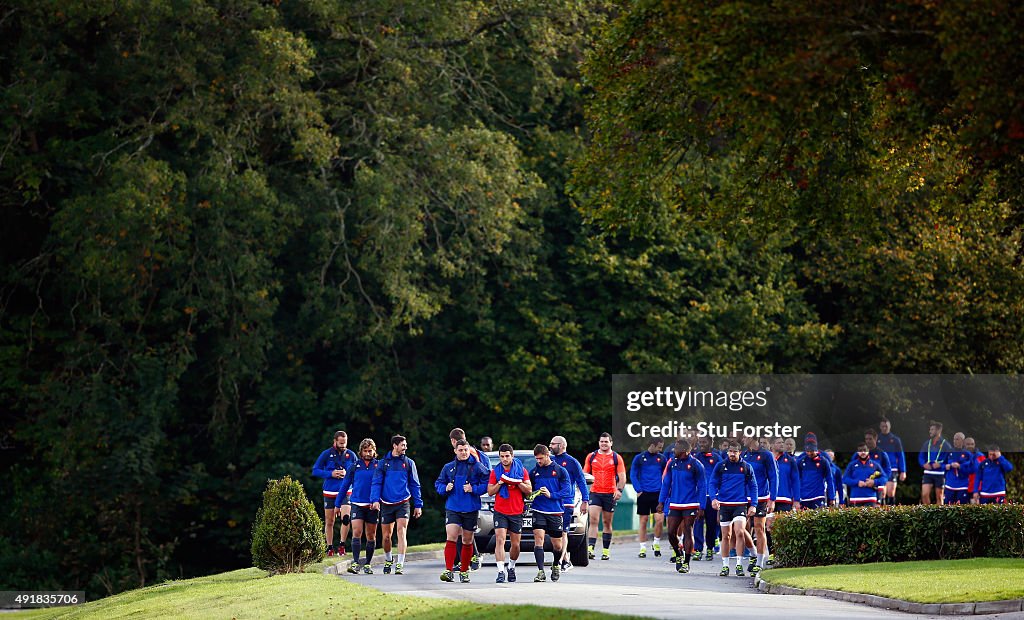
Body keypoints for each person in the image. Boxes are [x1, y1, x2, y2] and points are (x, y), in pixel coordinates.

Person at [436, 440, 489, 583]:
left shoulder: (477, 466)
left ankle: (464, 571)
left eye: (466, 450)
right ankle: (448, 570)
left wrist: (474, 489)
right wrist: (445, 488)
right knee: (451, 536)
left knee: (467, 540)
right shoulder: (448, 467)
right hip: (453, 507)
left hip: (470, 508)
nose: (464, 452)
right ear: (455, 451)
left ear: (469, 450)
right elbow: (439, 483)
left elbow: (487, 482)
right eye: (461, 450)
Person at [370, 435, 424, 575]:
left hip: (403, 502)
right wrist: (375, 500)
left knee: (402, 531)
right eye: (403, 445)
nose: (405, 447)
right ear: (395, 445)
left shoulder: (409, 463)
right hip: (386, 503)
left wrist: (418, 505)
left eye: (405, 445)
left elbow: (415, 485)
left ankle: (400, 564)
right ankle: (388, 560)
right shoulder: (383, 463)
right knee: (386, 536)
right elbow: (376, 482)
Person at [709, 441, 758, 577]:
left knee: (740, 532)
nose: (732, 454)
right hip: (724, 505)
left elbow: (753, 487)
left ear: (739, 452)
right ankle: (725, 566)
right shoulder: (721, 466)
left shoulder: (746, 467)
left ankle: (739, 564)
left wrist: (753, 504)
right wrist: (713, 498)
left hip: (740, 504)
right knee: (726, 535)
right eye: (730, 451)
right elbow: (712, 483)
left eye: (735, 452)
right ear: (727, 452)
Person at [658, 438, 706, 574]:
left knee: (687, 530)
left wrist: (702, 506)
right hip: (675, 503)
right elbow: (666, 483)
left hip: (691, 504)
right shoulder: (672, 463)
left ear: (685, 451)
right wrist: (661, 502)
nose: (674, 450)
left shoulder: (696, 465)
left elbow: (702, 486)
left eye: (677, 448)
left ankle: (686, 562)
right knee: (671, 533)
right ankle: (678, 553)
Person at [488, 443, 532, 583]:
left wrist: (517, 482)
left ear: (512, 456)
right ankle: (500, 571)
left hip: (516, 511)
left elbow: (529, 490)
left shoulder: (522, 471)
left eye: (507, 456)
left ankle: (511, 567)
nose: (505, 459)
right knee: (500, 540)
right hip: (500, 511)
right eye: (502, 457)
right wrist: (501, 483)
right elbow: (490, 492)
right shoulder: (495, 472)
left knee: (516, 544)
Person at [529, 444, 572, 582]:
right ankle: (540, 571)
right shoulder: (534, 472)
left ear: (547, 455)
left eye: (540, 458)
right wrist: (531, 494)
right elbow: (527, 489)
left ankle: (555, 565)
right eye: (536, 459)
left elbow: (567, 491)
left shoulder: (560, 471)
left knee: (557, 545)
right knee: (538, 539)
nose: (539, 461)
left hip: (555, 511)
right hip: (538, 510)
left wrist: (551, 495)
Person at [312, 430, 358, 557]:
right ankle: (330, 548)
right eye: (341, 443)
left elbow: (358, 472)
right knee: (330, 521)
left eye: (345, 443)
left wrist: (347, 474)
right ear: (335, 441)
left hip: (346, 491)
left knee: (346, 519)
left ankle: (342, 546)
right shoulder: (326, 454)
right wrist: (330, 474)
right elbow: (315, 470)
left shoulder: (351, 455)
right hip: (329, 491)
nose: (343, 446)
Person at [339, 439, 381, 574]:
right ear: (361, 452)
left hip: (372, 505)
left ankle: (368, 564)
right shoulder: (354, 466)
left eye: (370, 451)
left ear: (374, 451)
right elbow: (345, 485)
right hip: (356, 503)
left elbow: (385, 485)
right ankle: (356, 562)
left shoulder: (379, 466)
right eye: (365, 451)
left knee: (371, 535)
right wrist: (337, 503)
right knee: (356, 532)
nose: (368, 453)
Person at [449, 428, 489, 570]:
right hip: (475, 494)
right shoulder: (477, 452)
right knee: (464, 530)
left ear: (453, 441)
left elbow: (476, 471)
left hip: (469, 495)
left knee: (462, 531)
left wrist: (472, 487)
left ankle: (472, 557)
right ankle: (469, 558)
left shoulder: (468, 453)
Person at [583, 432, 626, 561]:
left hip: (610, 493)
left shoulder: (616, 458)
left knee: (607, 522)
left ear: (611, 443)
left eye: (606, 441)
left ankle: (606, 551)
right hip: (595, 492)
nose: (603, 444)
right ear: (599, 443)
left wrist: (619, 490)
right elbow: (584, 474)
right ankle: (590, 548)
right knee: (593, 520)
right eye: (601, 441)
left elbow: (622, 476)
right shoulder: (591, 456)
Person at [549, 435, 589, 572]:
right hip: (553, 502)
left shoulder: (572, 462)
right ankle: (566, 560)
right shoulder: (550, 460)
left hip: (567, 502)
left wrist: (585, 500)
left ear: (561, 445)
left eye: (553, 444)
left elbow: (581, 481)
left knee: (563, 532)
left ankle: (561, 562)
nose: (551, 446)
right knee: (556, 532)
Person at [740, 435, 778, 574]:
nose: (742, 439)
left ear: (752, 438)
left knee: (759, 528)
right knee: (740, 528)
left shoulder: (766, 455)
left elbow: (774, 477)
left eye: (745, 437)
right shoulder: (743, 454)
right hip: (744, 497)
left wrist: (772, 499)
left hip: (761, 497)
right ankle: (753, 552)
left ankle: (760, 562)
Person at [630, 439, 667, 558]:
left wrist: (664, 490)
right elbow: (633, 474)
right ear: (652, 445)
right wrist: (638, 489)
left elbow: (666, 475)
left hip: (658, 493)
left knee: (660, 520)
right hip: (644, 492)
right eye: (659, 447)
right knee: (643, 520)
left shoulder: (662, 459)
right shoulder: (639, 458)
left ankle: (656, 543)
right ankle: (642, 547)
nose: (661, 450)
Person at [691, 436, 721, 561]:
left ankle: (710, 548)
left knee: (711, 524)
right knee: (697, 523)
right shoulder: (695, 458)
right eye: (700, 442)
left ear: (711, 443)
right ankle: (698, 549)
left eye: (704, 442)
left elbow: (721, 477)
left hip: (712, 497)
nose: (701, 444)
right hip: (698, 496)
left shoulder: (717, 458)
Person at [796, 434, 837, 509]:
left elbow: (830, 480)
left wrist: (832, 497)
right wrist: (796, 498)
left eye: (811, 451)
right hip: (804, 498)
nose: (809, 453)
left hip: (818, 496)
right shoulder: (801, 461)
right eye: (807, 451)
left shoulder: (823, 461)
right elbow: (797, 480)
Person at [842, 442, 888, 507]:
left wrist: (874, 482)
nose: (863, 452)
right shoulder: (852, 465)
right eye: (860, 451)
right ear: (857, 452)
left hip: (871, 498)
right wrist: (857, 482)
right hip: (855, 498)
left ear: (868, 451)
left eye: (865, 450)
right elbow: (845, 479)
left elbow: (885, 478)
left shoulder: (875, 465)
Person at [919, 420, 952, 505]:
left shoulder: (946, 445)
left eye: (932, 429)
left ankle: (939, 516)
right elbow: (921, 456)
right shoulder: (927, 444)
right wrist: (923, 464)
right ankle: (928, 513)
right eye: (930, 429)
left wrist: (941, 465)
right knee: (924, 494)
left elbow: (949, 460)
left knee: (939, 496)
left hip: (940, 473)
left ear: (938, 431)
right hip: (928, 472)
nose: (930, 431)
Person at [877, 417, 907, 506]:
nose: (885, 428)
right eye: (883, 426)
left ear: (889, 426)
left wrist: (903, 471)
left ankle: (891, 514)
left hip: (892, 468)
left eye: (886, 426)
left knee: (891, 492)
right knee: (882, 492)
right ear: (880, 427)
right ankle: (881, 513)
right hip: (880, 469)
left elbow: (900, 456)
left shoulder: (895, 439)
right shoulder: (876, 439)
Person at [943, 433, 976, 505]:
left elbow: (972, 469)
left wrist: (960, 467)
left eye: (957, 439)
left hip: (962, 486)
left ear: (963, 441)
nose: (955, 441)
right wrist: (947, 466)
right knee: (947, 508)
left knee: (961, 509)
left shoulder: (968, 454)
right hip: (950, 485)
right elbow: (942, 465)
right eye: (954, 439)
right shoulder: (949, 452)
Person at [863, 428, 892, 503]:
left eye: (870, 439)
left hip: (878, 486)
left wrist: (881, 482)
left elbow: (888, 471)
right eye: (866, 439)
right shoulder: (859, 454)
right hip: (863, 487)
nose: (868, 441)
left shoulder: (882, 454)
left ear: (875, 439)